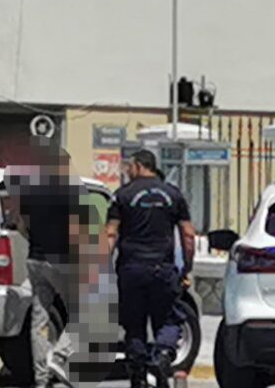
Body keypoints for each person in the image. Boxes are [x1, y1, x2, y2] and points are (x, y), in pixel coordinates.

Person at [107, 150, 195, 388]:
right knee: (168, 320)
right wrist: (187, 267)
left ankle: (137, 372)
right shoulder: (173, 195)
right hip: (162, 269)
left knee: (134, 324)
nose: (127, 171)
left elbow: (111, 234)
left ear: (138, 166)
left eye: (129, 167)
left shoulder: (122, 195)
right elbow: (188, 234)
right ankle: (162, 355)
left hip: (131, 269)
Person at [5, 139, 82, 388]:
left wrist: (37, 240)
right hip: (61, 260)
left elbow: (20, 226)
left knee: (39, 321)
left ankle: (41, 378)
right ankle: (60, 357)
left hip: (35, 260)